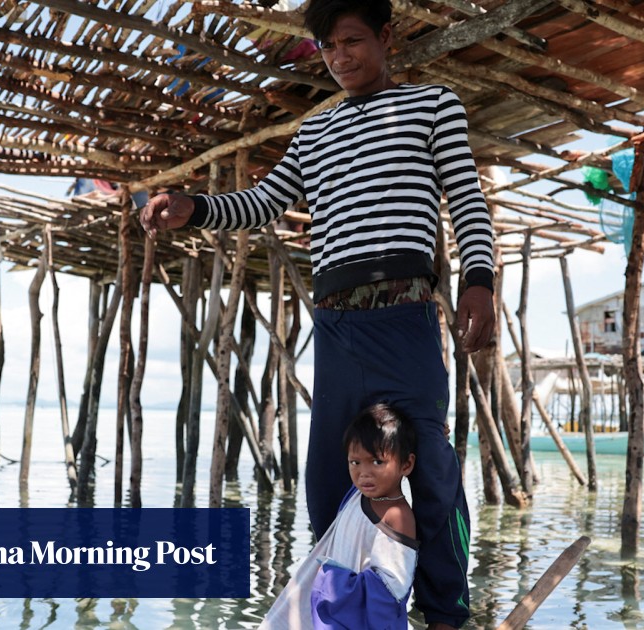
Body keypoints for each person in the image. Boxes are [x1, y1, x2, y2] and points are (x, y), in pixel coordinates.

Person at [139, 1, 495, 626]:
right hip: (335, 328)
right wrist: (192, 208)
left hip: (406, 319)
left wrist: (479, 280)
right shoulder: (314, 133)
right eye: (329, 48)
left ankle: (446, 612)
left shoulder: (434, 106)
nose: (340, 58)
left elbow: (466, 199)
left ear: (386, 36)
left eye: (352, 41)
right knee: (328, 481)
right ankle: (341, 612)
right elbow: (261, 202)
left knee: (434, 473)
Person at [260, 403, 419, 629]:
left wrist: (332, 582)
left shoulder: (396, 516)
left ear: (407, 464)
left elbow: (390, 591)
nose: (364, 473)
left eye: (377, 462)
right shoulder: (360, 496)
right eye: (355, 462)